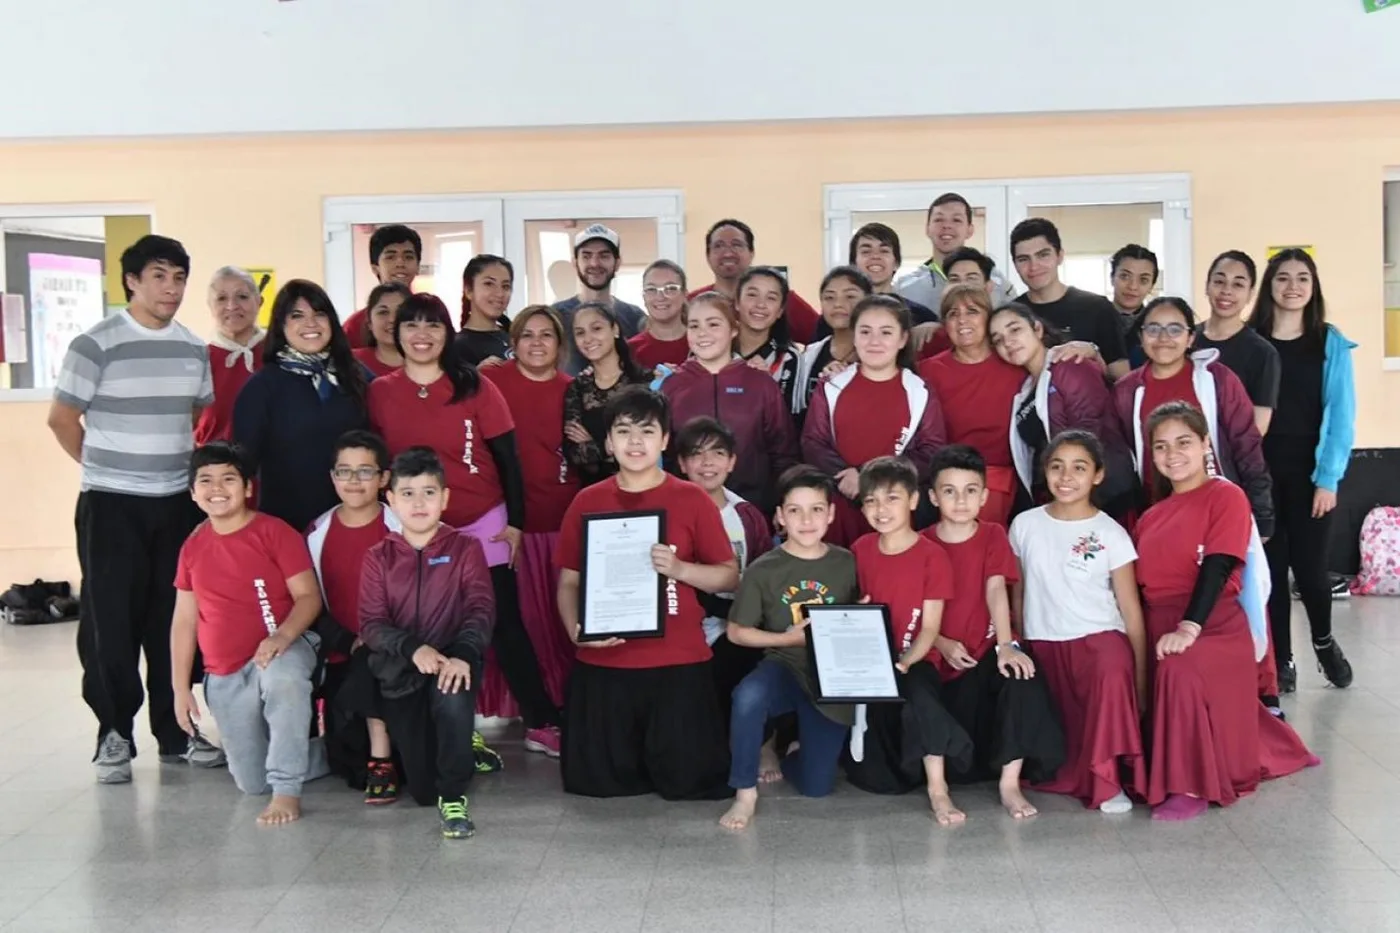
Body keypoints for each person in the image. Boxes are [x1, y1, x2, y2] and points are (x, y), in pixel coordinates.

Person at [49, 233, 222, 782]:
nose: (170, 288)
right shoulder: (95, 343)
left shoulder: (193, 348)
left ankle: (175, 730)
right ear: (131, 281)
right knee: (110, 622)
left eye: (178, 278)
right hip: (111, 505)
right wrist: (106, 473)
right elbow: (61, 420)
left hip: (175, 504)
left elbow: (194, 415)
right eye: (158, 276)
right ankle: (113, 734)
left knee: (171, 619)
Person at [367, 293, 562, 756]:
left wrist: (514, 524)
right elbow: (372, 459)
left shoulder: (474, 385)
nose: (421, 335)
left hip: (481, 520)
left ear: (446, 334)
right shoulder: (378, 391)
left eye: (432, 326)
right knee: (420, 622)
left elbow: (508, 459)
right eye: (411, 325)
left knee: (502, 621)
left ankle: (540, 720)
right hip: (412, 522)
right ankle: (437, 725)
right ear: (397, 333)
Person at [1132, 402, 1317, 820]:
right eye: (1160, 446)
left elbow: (1218, 566)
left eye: (1183, 442)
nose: (1172, 454)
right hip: (1158, 623)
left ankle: (1189, 785)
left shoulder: (1226, 496)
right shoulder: (1150, 516)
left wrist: (1189, 627)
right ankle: (1274, 744)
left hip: (1212, 622)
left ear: (1204, 444)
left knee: (1179, 669)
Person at [555, 387, 738, 799]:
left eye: (647, 432)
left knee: (691, 783)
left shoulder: (691, 499)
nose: (635, 443)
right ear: (608, 441)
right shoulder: (587, 501)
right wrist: (575, 631)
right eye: (623, 431)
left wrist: (680, 569)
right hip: (606, 659)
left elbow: (729, 577)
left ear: (665, 440)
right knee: (595, 785)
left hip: (677, 660)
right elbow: (568, 581)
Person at [171, 442, 322, 825]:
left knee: (283, 680)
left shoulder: (274, 532)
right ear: (192, 492)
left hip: (283, 650)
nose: (217, 488)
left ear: (248, 488)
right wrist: (179, 689)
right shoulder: (192, 546)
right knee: (252, 783)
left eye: (228, 479)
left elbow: (308, 597)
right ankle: (335, 753)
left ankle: (287, 789)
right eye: (205, 480)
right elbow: (184, 621)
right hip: (224, 673)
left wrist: (281, 637)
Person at [354, 447, 497, 838]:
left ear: (445, 498)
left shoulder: (465, 548)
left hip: (453, 662)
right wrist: (413, 649)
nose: (419, 503)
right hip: (401, 668)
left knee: (452, 697)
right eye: (408, 494)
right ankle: (464, 746)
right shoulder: (377, 557)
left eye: (429, 493)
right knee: (419, 788)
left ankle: (453, 797)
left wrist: (463, 655)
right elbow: (371, 624)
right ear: (391, 500)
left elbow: (480, 609)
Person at [921, 445, 1065, 819]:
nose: (960, 500)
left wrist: (1005, 645)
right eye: (949, 491)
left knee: (1023, 674)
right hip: (936, 656)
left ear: (984, 496)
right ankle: (939, 788)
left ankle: (1010, 784)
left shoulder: (992, 534)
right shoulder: (921, 542)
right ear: (933, 496)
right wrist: (939, 641)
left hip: (983, 650)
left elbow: (996, 589)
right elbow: (912, 608)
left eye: (971, 490)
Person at [1009, 431, 1147, 813]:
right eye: (1057, 467)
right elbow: (1019, 593)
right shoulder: (1024, 525)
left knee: (1109, 668)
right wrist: (1022, 640)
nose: (1066, 477)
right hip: (1044, 641)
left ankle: (1108, 783)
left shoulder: (1111, 534)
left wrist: (1140, 680)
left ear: (1097, 476)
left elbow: (1131, 611)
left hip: (1098, 640)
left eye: (1079, 468)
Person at [719, 466, 860, 830]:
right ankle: (744, 791)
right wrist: (788, 639)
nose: (806, 520)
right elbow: (736, 632)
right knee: (748, 696)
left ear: (831, 513)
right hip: (783, 665)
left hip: (830, 679)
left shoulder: (848, 562)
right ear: (780, 516)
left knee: (817, 787)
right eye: (794, 510)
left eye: (816, 509)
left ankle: (794, 751)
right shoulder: (764, 569)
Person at [1247, 249, 1357, 691]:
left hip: (1311, 473)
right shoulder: (1251, 340)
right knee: (1269, 573)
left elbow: (1341, 414)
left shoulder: (1328, 341)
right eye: (1282, 278)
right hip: (1260, 473)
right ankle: (1283, 661)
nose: (1292, 286)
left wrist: (1328, 479)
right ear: (1269, 286)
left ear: (1313, 288)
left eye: (1302, 278)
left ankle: (1324, 643)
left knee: (1310, 570)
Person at [842, 457, 973, 825]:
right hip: (867, 666)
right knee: (878, 780)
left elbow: (930, 628)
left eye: (892, 499)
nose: (881, 510)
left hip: (914, 662)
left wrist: (902, 662)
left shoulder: (933, 555)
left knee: (919, 695)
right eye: (871, 501)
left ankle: (938, 788)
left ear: (914, 500)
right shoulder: (860, 549)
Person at [481, 305, 580, 711]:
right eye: (527, 335)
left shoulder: (575, 388)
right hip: (510, 525)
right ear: (513, 343)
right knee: (522, 622)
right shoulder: (489, 381)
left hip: (563, 521)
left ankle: (568, 704)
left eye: (546, 335)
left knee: (562, 623)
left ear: (559, 344)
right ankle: (534, 709)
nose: (536, 343)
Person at [1114, 297, 1273, 535]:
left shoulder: (1217, 379)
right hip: (1156, 513)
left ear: (1190, 338)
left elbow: (1246, 443)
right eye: (1153, 329)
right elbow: (1124, 457)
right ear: (1141, 336)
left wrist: (1261, 512)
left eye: (1175, 329)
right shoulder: (1126, 390)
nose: (1164, 338)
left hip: (1217, 508)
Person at [803, 296, 946, 546]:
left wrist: (871, 480)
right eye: (865, 331)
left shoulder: (919, 390)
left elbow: (930, 450)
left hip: (896, 506)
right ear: (854, 336)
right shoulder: (832, 385)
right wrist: (848, 478)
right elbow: (813, 441)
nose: (874, 341)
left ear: (902, 339)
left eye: (886, 332)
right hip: (841, 502)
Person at [305, 430, 401, 801]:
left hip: (394, 654)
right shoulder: (316, 532)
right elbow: (307, 603)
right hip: (342, 655)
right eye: (344, 471)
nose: (354, 481)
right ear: (332, 478)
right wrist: (348, 641)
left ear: (384, 478)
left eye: (365, 472)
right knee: (350, 768)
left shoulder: (402, 528)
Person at [233, 280, 371, 533]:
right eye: (297, 315)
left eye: (319, 314)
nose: (310, 323)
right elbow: (241, 464)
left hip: (355, 522)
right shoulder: (262, 387)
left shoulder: (358, 376)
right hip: (286, 527)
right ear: (281, 325)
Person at [988, 302, 1137, 520]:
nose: (1008, 342)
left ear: (1037, 329)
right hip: (1062, 496)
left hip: (1101, 497)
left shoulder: (1071, 365)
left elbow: (1090, 437)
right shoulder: (1026, 387)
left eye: (1015, 329)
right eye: (998, 340)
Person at [661, 291, 800, 515]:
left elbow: (783, 452)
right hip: (687, 509)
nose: (702, 333)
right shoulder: (671, 386)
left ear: (734, 329)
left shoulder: (761, 384)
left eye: (713, 324)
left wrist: (782, 503)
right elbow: (665, 457)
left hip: (754, 509)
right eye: (694, 326)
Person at [673, 417, 773, 726]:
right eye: (697, 454)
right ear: (681, 463)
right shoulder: (667, 511)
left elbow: (764, 574)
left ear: (731, 462)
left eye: (717, 453)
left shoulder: (746, 515)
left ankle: (761, 745)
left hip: (736, 623)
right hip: (683, 623)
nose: (707, 463)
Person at [918, 285, 1030, 526]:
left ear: (988, 318)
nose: (962, 320)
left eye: (972, 311)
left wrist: (1089, 349)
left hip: (1004, 479)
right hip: (946, 479)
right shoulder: (928, 371)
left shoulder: (1015, 363)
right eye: (952, 314)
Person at [1010, 217, 1130, 378]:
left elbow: (1123, 381)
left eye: (1043, 255)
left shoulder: (1097, 308)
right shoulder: (1011, 315)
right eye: (1023, 259)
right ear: (1015, 265)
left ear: (1060, 256)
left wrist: (1094, 356)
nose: (1034, 266)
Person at [562, 302, 664, 486]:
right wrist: (607, 449)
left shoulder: (644, 381)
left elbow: (651, 446)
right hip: (595, 492)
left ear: (615, 329)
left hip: (644, 486)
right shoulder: (577, 388)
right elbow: (577, 455)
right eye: (580, 333)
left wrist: (595, 445)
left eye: (596, 328)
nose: (588, 338)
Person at [691, 219, 820, 344]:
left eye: (737, 245)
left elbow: (825, 339)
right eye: (718, 246)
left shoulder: (782, 299)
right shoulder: (692, 303)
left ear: (751, 253)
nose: (728, 253)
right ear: (708, 255)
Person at [1194, 250, 1280, 436]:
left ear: (1250, 294)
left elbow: (1258, 428)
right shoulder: (1185, 340)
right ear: (1207, 286)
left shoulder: (1263, 353)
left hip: (1232, 459)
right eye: (1219, 281)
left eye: (1238, 284)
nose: (1227, 291)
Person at [895, 193, 1017, 312]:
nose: (947, 225)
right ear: (927, 229)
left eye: (956, 220)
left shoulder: (999, 286)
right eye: (939, 219)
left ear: (970, 230)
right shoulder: (904, 288)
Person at [552, 224, 645, 374]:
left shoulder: (635, 317)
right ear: (575, 263)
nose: (595, 263)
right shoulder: (556, 316)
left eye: (604, 256)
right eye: (587, 256)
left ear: (617, 263)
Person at [196, 266, 265, 444]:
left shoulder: (277, 354)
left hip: (271, 469)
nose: (232, 306)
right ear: (210, 306)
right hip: (213, 468)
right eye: (221, 298)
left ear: (259, 301)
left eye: (242, 296)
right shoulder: (198, 360)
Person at [794, 266, 871, 416]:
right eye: (829, 297)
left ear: (867, 301)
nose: (838, 304)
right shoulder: (809, 355)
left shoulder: (879, 352)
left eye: (850, 296)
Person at [734, 266, 804, 412]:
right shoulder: (714, 347)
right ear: (737, 302)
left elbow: (789, 422)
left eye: (771, 298)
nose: (760, 304)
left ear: (780, 311)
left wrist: (766, 385)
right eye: (752, 295)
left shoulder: (788, 359)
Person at [344, 225, 422, 347]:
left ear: (418, 266)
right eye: (390, 257)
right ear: (375, 268)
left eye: (408, 257)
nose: (400, 263)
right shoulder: (356, 325)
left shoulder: (430, 316)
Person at [628, 259, 690, 369]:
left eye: (670, 288)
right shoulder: (630, 350)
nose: (660, 297)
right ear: (644, 296)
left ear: (685, 295)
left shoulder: (701, 343)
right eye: (651, 289)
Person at [454, 254, 514, 367]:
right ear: (468, 291)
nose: (500, 293)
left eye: (505, 286)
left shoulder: (516, 336)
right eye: (489, 284)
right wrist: (477, 375)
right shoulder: (456, 346)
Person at [1109, 244, 1159, 368]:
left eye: (1143, 280)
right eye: (1124, 276)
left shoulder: (1158, 327)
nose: (1133, 286)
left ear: (1152, 286)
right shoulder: (1092, 318)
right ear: (1112, 278)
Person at [352, 282, 411, 377]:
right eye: (383, 312)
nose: (392, 319)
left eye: (400, 312)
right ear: (369, 323)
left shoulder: (432, 365)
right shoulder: (351, 362)